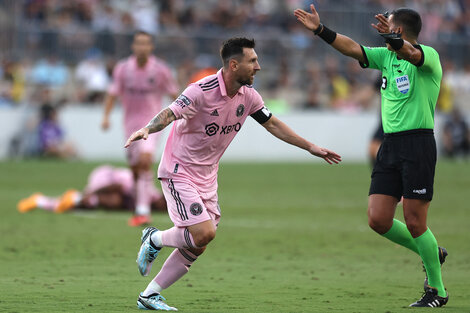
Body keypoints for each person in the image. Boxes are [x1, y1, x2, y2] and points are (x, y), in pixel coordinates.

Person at [125, 37, 342, 311]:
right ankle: (154, 238)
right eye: (253, 61)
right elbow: (170, 113)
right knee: (202, 233)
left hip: (208, 176)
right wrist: (148, 128)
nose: (258, 67)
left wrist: (310, 146)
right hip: (179, 170)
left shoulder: (249, 96)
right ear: (234, 64)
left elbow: (272, 124)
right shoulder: (200, 91)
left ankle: (149, 295)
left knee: (197, 244)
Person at [294, 5, 448, 307]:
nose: (381, 29)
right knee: (378, 219)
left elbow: (413, 55)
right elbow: (353, 49)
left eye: (388, 26)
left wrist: (394, 41)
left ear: (399, 31)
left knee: (415, 222)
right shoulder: (386, 56)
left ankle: (438, 291)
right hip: (390, 145)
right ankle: (431, 252)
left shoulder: (428, 58)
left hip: (418, 144)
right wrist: (319, 30)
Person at [102, 31, 179, 227]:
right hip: (130, 124)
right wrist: (106, 117)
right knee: (135, 169)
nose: (142, 47)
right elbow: (112, 94)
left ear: (151, 47)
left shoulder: (160, 70)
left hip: (152, 123)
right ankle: (140, 200)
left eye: (146, 44)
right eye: (139, 43)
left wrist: (183, 117)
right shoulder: (123, 69)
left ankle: (143, 211)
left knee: (145, 161)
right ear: (133, 46)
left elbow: (174, 95)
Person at [17, 165, 166, 214]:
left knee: (114, 202)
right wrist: (91, 193)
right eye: (164, 206)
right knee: (111, 200)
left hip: (109, 183)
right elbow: (117, 186)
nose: (162, 209)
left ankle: (40, 201)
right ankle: (76, 198)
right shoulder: (147, 192)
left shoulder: (148, 203)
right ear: (161, 199)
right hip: (104, 177)